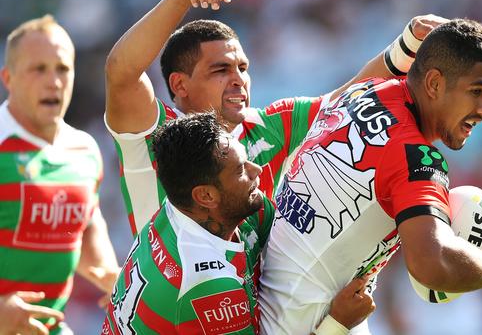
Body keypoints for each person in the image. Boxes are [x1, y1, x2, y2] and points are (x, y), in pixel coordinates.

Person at [104, 0, 482, 237]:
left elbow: (374, 96)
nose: (239, 79)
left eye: (243, 67)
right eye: (220, 70)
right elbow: (121, 72)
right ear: (179, 85)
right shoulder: (155, 137)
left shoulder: (270, 128)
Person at [256, 19, 482, 334]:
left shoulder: (369, 89)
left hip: (276, 302)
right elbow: (431, 265)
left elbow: (459, 86)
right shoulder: (414, 157)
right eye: (477, 92)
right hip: (299, 324)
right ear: (434, 83)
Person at [102, 112, 375, 334]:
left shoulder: (196, 208)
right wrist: (338, 323)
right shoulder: (209, 284)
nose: (257, 171)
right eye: (241, 170)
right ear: (206, 195)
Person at [0, 15, 120, 334]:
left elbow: (84, 224)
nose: (53, 80)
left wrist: (112, 277)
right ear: (8, 78)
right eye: (38, 69)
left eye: (62, 68)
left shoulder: (84, 150)